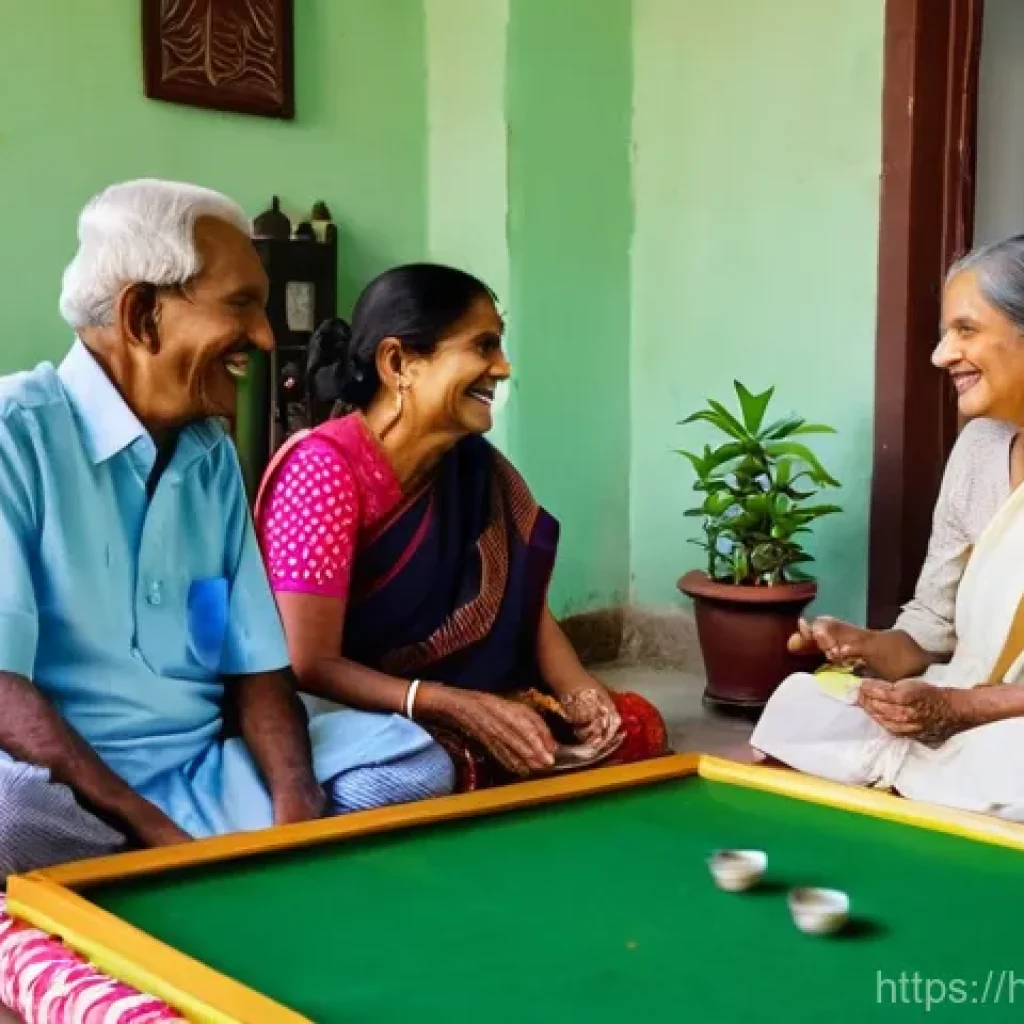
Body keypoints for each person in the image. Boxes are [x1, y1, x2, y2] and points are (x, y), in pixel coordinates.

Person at [0, 180, 453, 881]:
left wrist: (294, 819)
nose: (267, 338)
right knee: (8, 815)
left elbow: (258, 666)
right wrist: (158, 833)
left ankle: (155, 877)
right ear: (143, 314)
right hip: (70, 791)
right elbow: (5, 694)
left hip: (205, 774)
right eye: (241, 304)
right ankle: (165, 864)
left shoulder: (208, 452)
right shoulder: (14, 436)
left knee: (412, 762)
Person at [254, 264, 667, 789]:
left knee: (632, 726)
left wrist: (581, 693)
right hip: (346, 713)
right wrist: (453, 706)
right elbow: (310, 664)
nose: (502, 367)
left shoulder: (473, 466)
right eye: (483, 347)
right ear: (398, 362)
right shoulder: (323, 470)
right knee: (420, 775)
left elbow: (526, 611)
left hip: (460, 698)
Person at [751, 234, 1024, 820]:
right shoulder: (980, 450)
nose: (941, 355)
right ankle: (928, 785)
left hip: (1009, 730)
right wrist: (866, 648)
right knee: (802, 704)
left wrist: (962, 709)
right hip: (957, 705)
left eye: (966, 330)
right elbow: (931, 627)